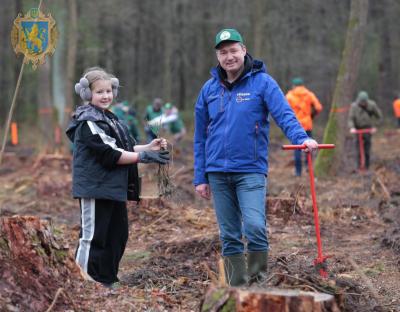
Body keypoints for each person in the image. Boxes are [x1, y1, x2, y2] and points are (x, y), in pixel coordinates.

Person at [193, 28, 318, 286]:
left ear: (244, 50)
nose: (229, 57)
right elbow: (200, 137)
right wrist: (200, 177)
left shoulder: (262, 83)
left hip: (250, 169)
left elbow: (284, 114)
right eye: (223, 52)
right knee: (229, 234)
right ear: (218, 56)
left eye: (233, 50)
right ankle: (236, 289)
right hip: (217, 171)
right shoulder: (208, 89)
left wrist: (302, 138)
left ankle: (259, 283)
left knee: (254, 227)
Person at [66, 67, 170, 288]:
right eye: (99, 92)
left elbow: (124, 146)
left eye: (108, 91)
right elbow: (110, 154)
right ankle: (82, 283)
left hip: (114, 187)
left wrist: (149, 147)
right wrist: (143, 157)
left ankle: (107, 279)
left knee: (117, 235)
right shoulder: (88, 121)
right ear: (87, 95)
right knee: (94, 237)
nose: (105, 96)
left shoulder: (110, 119)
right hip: (95, 188)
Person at [286, 77, 323, 176]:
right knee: (309, 146)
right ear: (302, 85)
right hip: (307, 124)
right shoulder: (309, 94)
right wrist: (312, 115)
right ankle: (308, 168)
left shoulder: (289, 96)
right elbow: (318, 107)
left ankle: (298, 172)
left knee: (297, 148)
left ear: (294, 85)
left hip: (295, 126)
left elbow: (284, 110)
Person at [348, 91, 382, 170]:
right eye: (361, 102)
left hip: (368, 129)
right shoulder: (354, 106)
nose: (363, 103)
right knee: (358, 149)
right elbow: (350, 119)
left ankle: (367, 166)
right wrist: (352, 127)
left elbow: (379, 116)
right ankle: (359, 166)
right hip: (357, 129)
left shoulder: (372, 105)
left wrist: (375, 127)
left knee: (367, 148)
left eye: (364, 102)